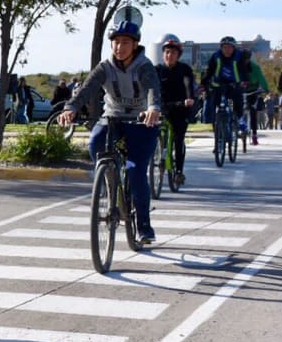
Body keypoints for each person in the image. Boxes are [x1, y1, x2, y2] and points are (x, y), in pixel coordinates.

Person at [57, 16, 161, 243]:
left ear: (135, 45)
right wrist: (70, 108)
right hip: (113, 118)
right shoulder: (105, 67)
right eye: (115, 42)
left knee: (136, 171)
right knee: (95, 142)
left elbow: (153, 88)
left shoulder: (144, 66)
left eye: (125, 42)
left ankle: (143, 225)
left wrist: (153, 108)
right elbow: (86, 89)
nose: (119, 47)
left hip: (142, 122)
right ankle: (109, 178)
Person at [156, 34, 195, 184]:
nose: (169, 55)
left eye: (173, 52)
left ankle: (179, 171)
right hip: (161, 108)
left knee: (178, 139)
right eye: (167, 52)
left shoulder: (184, 69)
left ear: (178, 55)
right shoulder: (157, 70)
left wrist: (189, 99)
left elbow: (188, 85)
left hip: (180, 107)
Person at [202, 36, 250, 133]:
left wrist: (245, 81)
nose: (227, 50)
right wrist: (203, 83)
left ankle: (240, 120)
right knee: (214, 105)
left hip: (234, 84)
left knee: (238, 99)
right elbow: (209, 71)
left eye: (230, 47)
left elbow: (243, 70)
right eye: (224, 47)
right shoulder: (215, 56)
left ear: (233, 48)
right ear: (221, 48)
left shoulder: (239, 56)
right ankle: (216, 131)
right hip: (218, 84)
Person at [244, 53, 269, 144]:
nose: (245, 61)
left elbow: (261, 78)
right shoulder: (237, 65)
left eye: (247, 59)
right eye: (243, 59)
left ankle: (254, 135)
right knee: (236, 108)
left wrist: (265, 88)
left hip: (252, 90)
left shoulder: (255, 67)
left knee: (253, 111)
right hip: (241, 90)